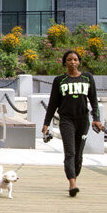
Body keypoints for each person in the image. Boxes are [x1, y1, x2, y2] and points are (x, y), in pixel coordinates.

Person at [41, 48, 99, 197]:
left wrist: (96, 119)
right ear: (64, 63)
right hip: (66, 120)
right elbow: (53, 102)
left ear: (79, 62)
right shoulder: (60, 80)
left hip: (83, 120)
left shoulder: (87, 78)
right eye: (69, 60)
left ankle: (74, 175)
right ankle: (72, 184)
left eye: (75, 60)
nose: (72, 62)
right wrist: (46, 123)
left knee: (78, 155)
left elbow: (93, 100)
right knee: (70, 152)